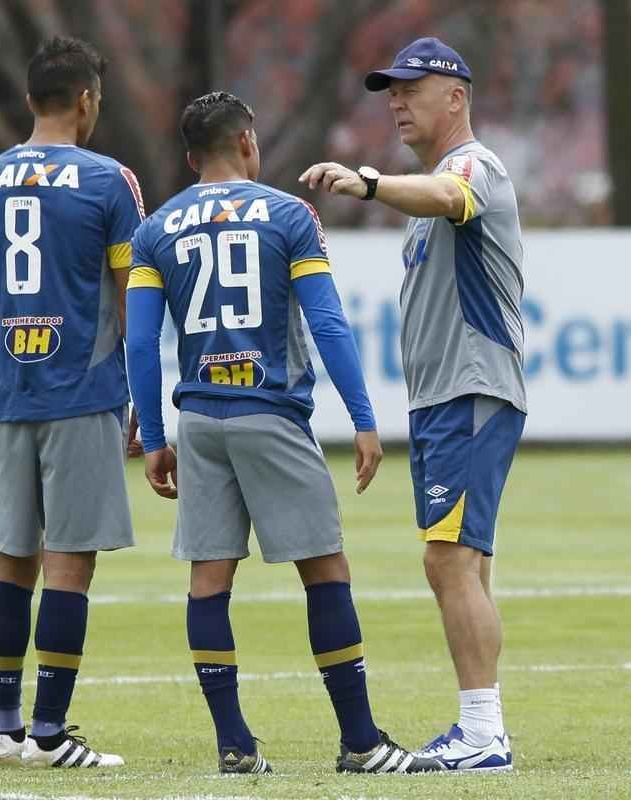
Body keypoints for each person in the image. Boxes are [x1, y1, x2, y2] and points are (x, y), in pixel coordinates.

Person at [126, 91, 443, 775]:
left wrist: (154, 437)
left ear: (189, 158)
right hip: (269, 412)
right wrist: (363, 418)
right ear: (248, 142)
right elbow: (326, 321)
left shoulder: (157, 230)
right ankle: (361, 742)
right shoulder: (286, 214)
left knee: (208, 581)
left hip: (200, 421)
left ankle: (234, 746)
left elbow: (142, 342)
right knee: (325, 571)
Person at [300, 37, 526, 773]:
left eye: (410, 88)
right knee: (463, 562)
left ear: (454, 97)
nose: (395, 101)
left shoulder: (472, 166)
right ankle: (483, 727)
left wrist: (367, 183)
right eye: (389, 91)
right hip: (442, 397)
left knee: (447, 560)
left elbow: (446, 195)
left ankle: (483, 732)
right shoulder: (438, 178)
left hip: (470, 388)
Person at [0, 36, 144, 768]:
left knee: (13, 558)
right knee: (71, 562)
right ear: (86, 100)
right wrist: (136, 391)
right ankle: (49, 732)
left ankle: (5, 726)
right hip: (82, 390)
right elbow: (135, 295)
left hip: (12, 390)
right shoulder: (109, 180)